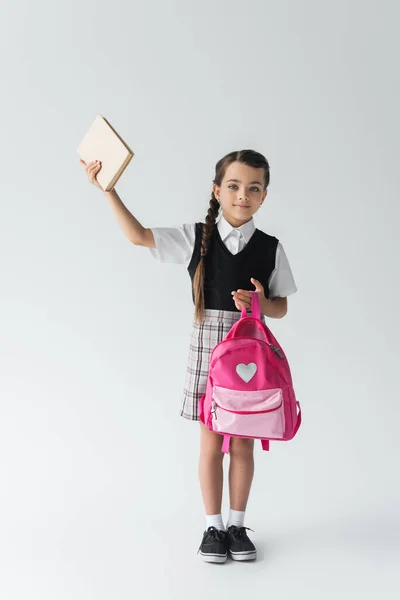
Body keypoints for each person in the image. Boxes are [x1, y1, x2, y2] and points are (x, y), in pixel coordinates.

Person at [80, 149, 297, 563]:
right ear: (217, 190)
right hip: (208, 350)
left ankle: (237, 524)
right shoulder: (197, 237)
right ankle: (213, 527)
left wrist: (260, 302)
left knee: (245, 445)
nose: (242, 195)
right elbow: (139, 236)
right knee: (211, 444)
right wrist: (109, 191)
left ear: (264, 195)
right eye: (233, 186)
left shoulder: (270, 248)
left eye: (253, 188)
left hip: (249, 349)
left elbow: (281, 306)